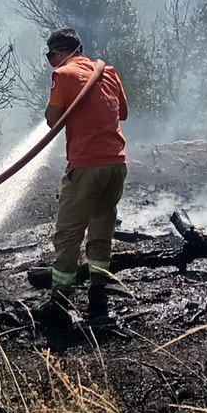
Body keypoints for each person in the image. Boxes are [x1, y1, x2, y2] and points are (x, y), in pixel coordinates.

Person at [38, 28, 128, 326]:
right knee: (102, 229)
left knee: (69, 231)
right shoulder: (109, 72)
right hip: (116, 164)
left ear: (61, 52)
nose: (52, 62)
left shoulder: (63, 75)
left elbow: (52, 121)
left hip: (87, 165)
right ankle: (98, 299)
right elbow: (123, 113)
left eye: (52, 56)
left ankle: (60, 302)